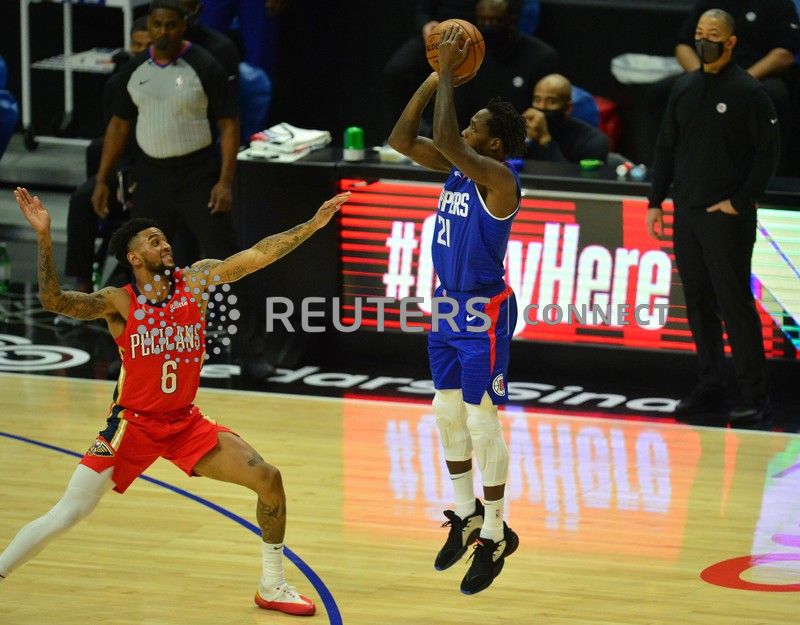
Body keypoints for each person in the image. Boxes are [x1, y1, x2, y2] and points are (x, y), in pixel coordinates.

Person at [1, 186, 351, 614]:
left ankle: (272, 585)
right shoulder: (119, 302)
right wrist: (43, 236)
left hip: (184, 423)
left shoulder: (196, 281)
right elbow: (53, 300)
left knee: (269, 479)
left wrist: (313, 224)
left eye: (165, 238)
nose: (165, 245)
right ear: (134, 258)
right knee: (69, 513)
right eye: (154, 241)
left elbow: (259, 255)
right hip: (132, 426)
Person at [388, 24, 525, 594]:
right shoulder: (457, 168)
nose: (463, 131)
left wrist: (448, 70)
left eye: (475, 129)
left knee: (480, 420)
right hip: (447, 306)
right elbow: (401, 139)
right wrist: (431, 78)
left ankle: (495, 533)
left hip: (484, 313)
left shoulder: (499, 180)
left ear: (492, 146)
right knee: (445, 412)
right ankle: (466, 514)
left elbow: (446, 136)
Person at [91, 0, 272, 381]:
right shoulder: (134, 71)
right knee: (139, 266)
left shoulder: (205, 65)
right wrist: (102, 179)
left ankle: (252, 353)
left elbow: (229, 125)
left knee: (230, 262)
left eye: (170, 25)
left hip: (197, 177)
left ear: (183, 25)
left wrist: (225, 182)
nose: (162, 32)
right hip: (152, 178)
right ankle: (130, 349)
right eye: (156, 24)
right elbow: (119, 126)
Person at [646, 9, 779, 426]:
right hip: (687, 213)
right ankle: (710, 386)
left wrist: (740, 201)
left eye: (714, 34)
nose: (705, 40)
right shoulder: (684, 87)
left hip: (726, 218)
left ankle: (754, 394)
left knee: (734, 304)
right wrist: (655, 201)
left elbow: (767, 154)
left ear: (731, 42)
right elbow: (665, 146)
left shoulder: (749, 92)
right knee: (699, 303)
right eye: (700, 33)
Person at [64, 17, 151, 294]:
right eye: (136, 45)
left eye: (146, 45)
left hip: (159, 167)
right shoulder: (117, 83)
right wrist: (118, 177)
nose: (140, 51)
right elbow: (112, 137)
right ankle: (82, 282)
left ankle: (134, 281)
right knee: (82, 198)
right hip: (125, 165)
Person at [675, 0, 798, 172]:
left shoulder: (779, 4)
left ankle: (772, 173)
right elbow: (683, 46)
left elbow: (784, 54)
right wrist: (701, 78)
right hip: (709, 75)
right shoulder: (709, 3)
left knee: (774, 95)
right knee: (663, 92)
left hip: (758, 77)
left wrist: (739, 81)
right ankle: (657, 171)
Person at [453, 0, 558, 134]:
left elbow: (542, 113)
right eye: (483, 21)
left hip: (520, 139)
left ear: (512, 21)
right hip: (471, 137)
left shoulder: (541, 57)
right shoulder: (468, 55)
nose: (488, 26)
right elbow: (458, 108)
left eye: (495, 21)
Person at [523, 73, 609, 163]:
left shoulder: (592, 140)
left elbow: (566, 172)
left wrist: (545, 140)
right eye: (537, 100)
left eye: (552, 101)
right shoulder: (527, 130)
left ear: (568, 108)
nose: (542, 106)